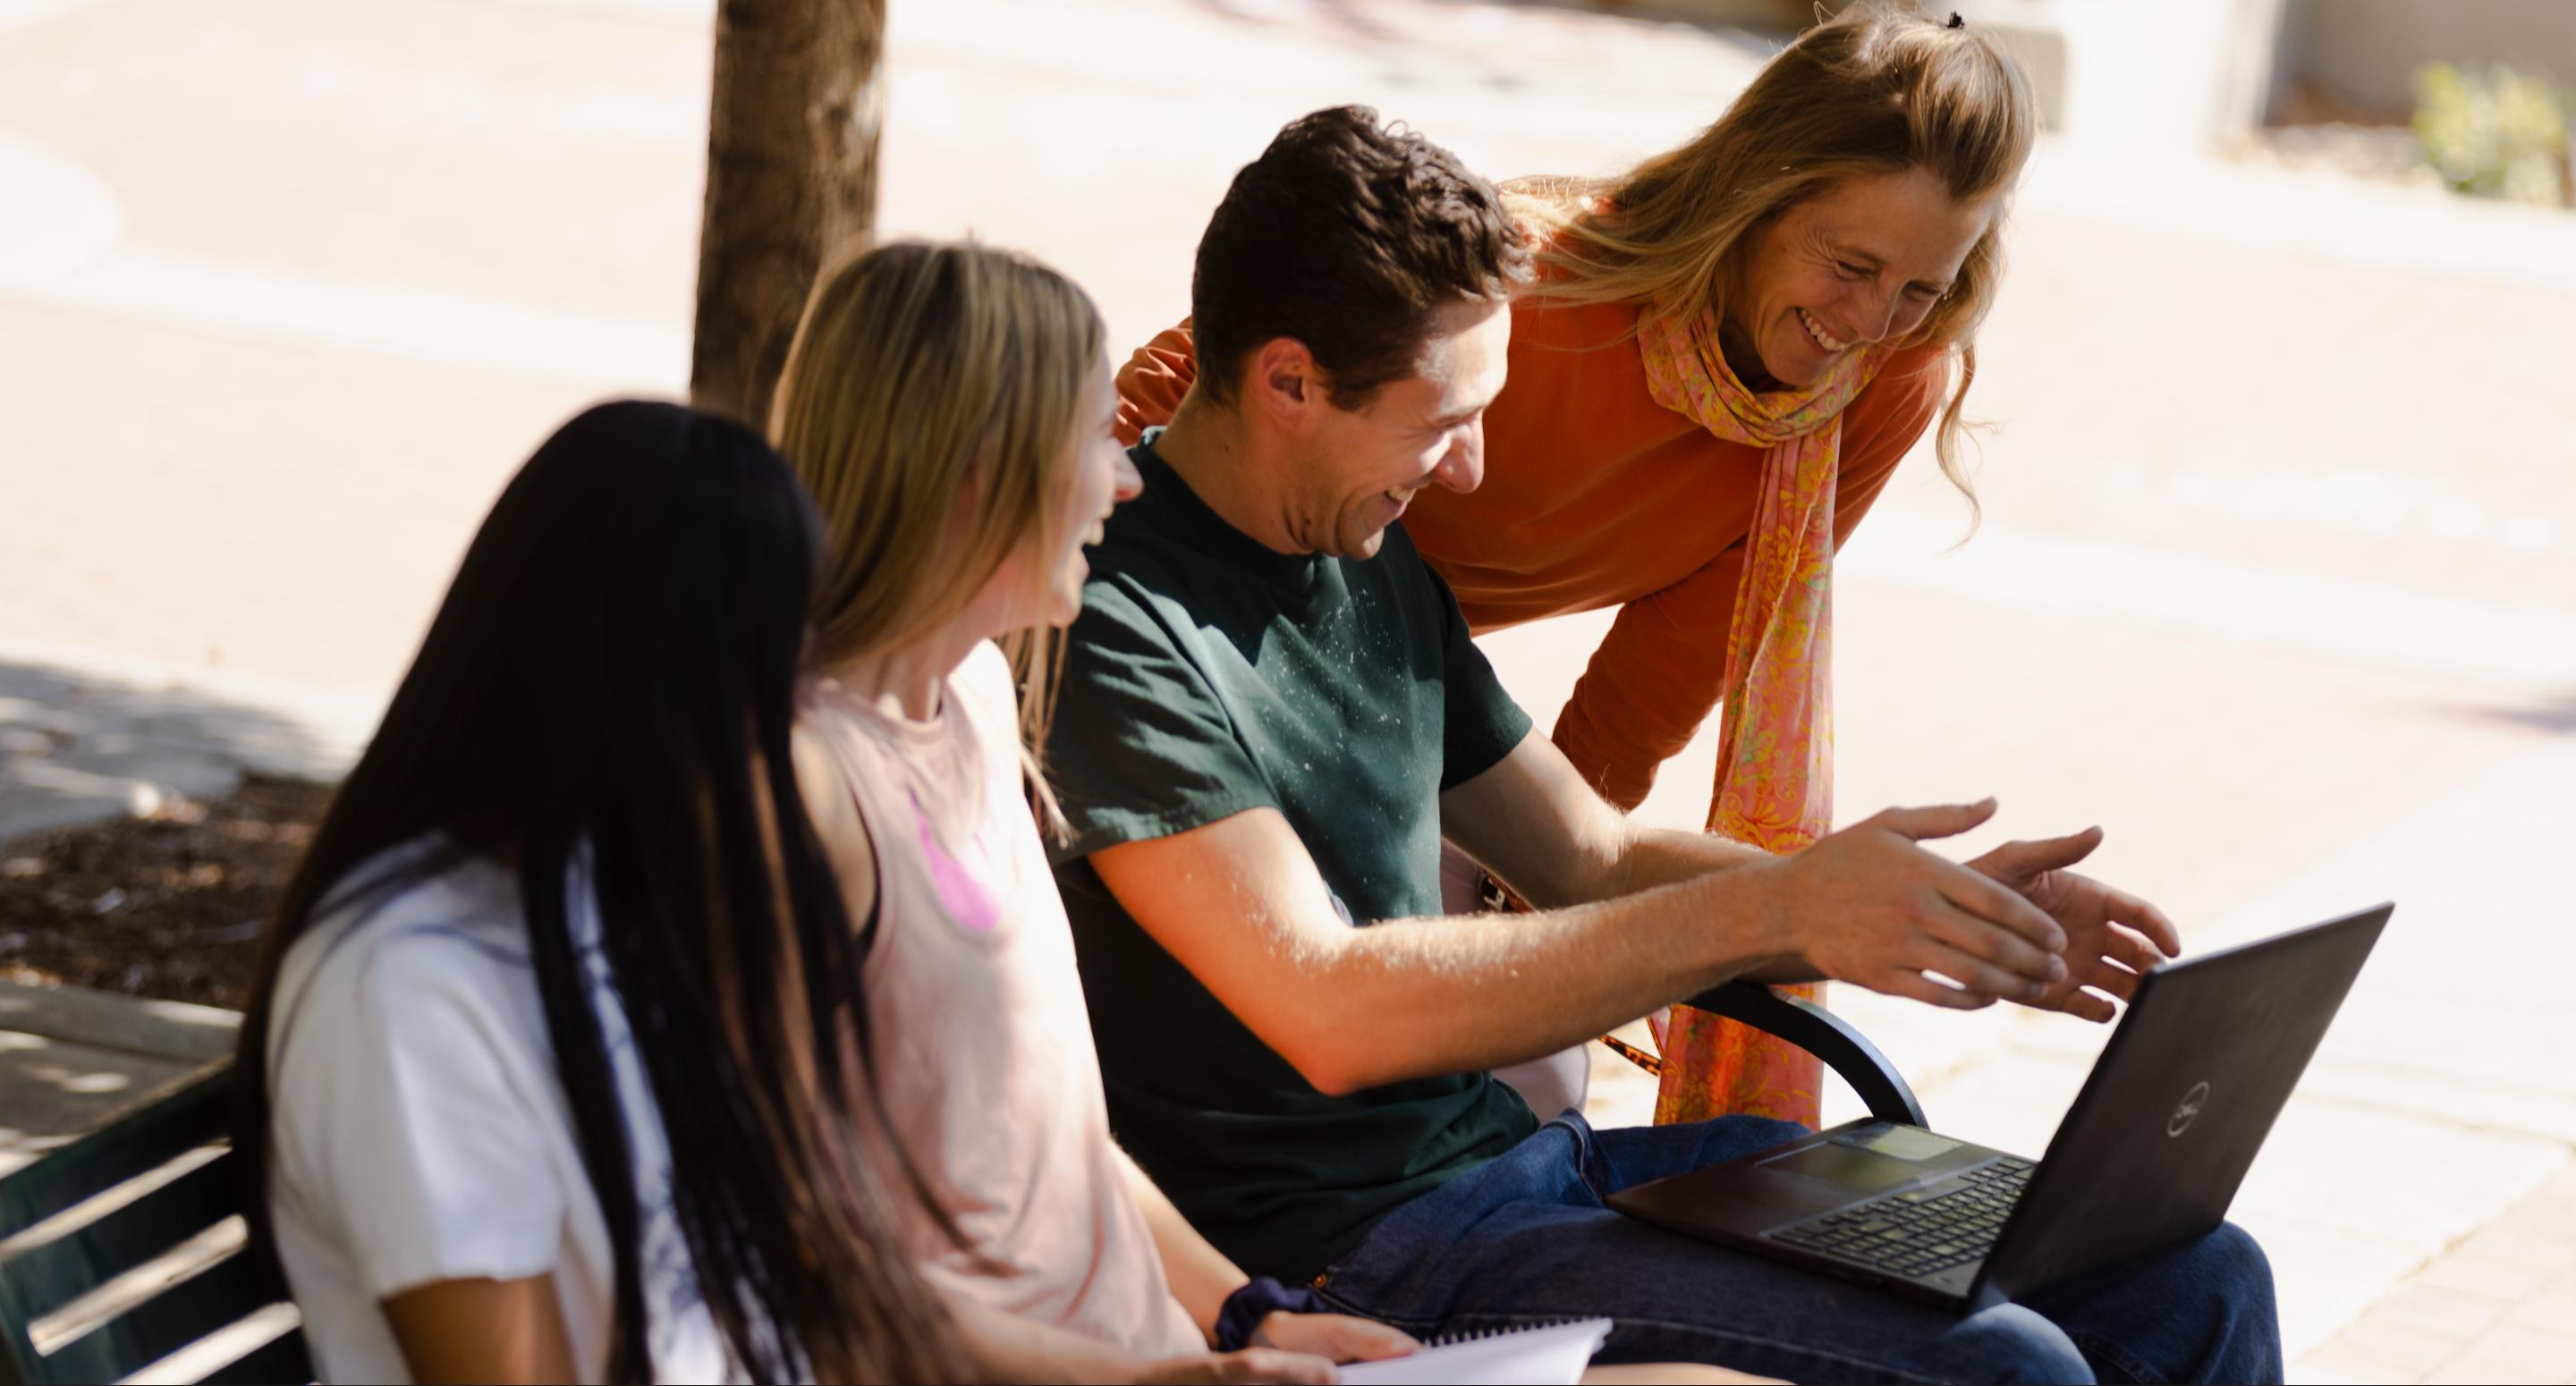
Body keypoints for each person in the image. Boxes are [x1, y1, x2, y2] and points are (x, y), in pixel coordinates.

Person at [1044, 106, 2283, 1382]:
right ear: (1291, 380)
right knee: (2006, 1367)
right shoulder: (1118, 622)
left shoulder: (1362, 553)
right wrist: (1778, 908)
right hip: (1353, 1251)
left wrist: (1913, 907)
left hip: (1527, 1171)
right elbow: (1330, 1005)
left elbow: (1592, 847)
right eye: (1440, 421)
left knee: (2190, 1276)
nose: (1469, 470)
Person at [1110, 2, 2071, 1127]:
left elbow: (1628, 750)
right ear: (1754, 189)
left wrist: (1886, 904)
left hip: (1417, 685)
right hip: (1237, 635)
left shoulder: (1883, 373)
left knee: (1531, 1075)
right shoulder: (1535, 281)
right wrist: (1088, 582)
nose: (1872, 322)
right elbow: (1207, 384)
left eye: (1918, 288)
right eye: (1851, 263)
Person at [236, 402, 974, 1383]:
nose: (796, 726)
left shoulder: (593, 883)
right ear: (659, 685)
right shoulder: (406, 992)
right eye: (772, 678)